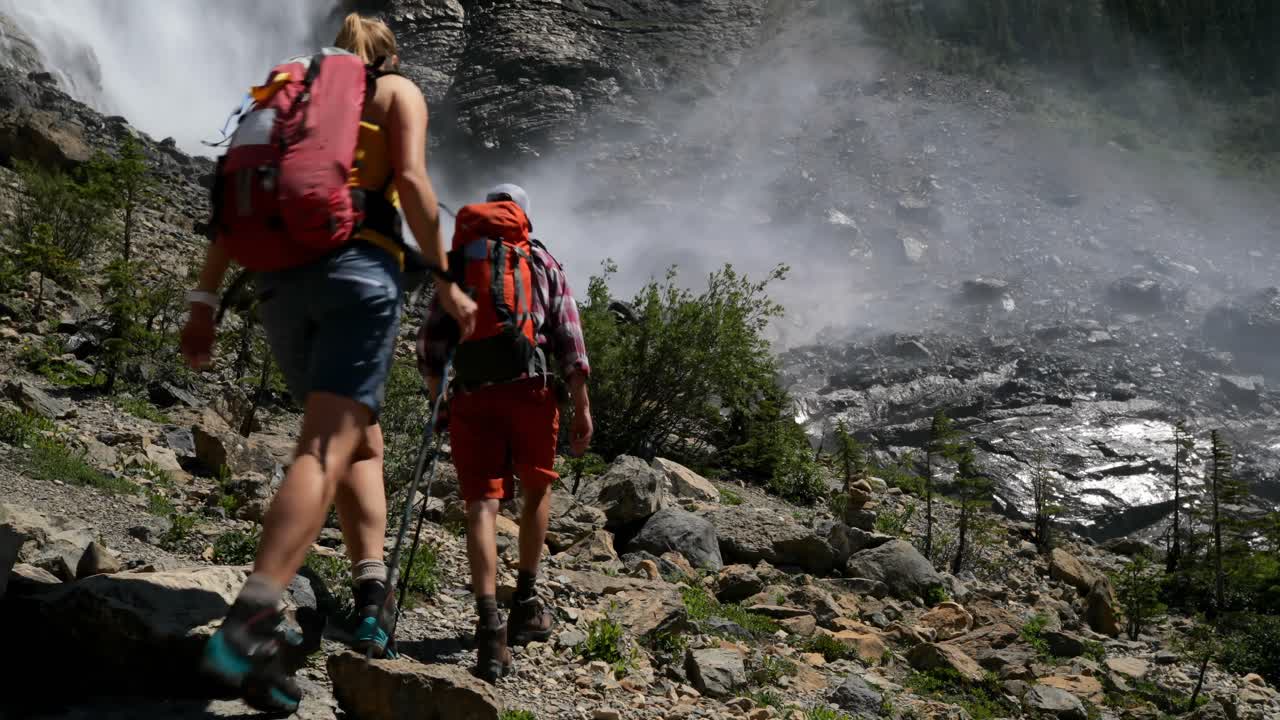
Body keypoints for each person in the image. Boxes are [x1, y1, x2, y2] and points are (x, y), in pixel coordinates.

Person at [180, 13, 477, 713]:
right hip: (357, 274)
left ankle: (370, 590)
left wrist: (203, 303)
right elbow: (409, 180)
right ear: (389, 57)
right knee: (323, 446)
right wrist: (444, 279)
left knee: (355, 436)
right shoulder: (396, 91)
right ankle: (252, 616)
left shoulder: (290, 94)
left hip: (280, 286)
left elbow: (234, 202)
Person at [417, 183, 593, 683]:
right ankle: (527, 600)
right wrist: (581, 408)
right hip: (531, 390)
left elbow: (431, 346)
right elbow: (570, 341)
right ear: (524, 217)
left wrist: (441, 404)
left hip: (474, 392)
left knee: (482, 503)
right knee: (536, 489)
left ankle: (489, 625)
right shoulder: (541, 261)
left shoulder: (459, 262)